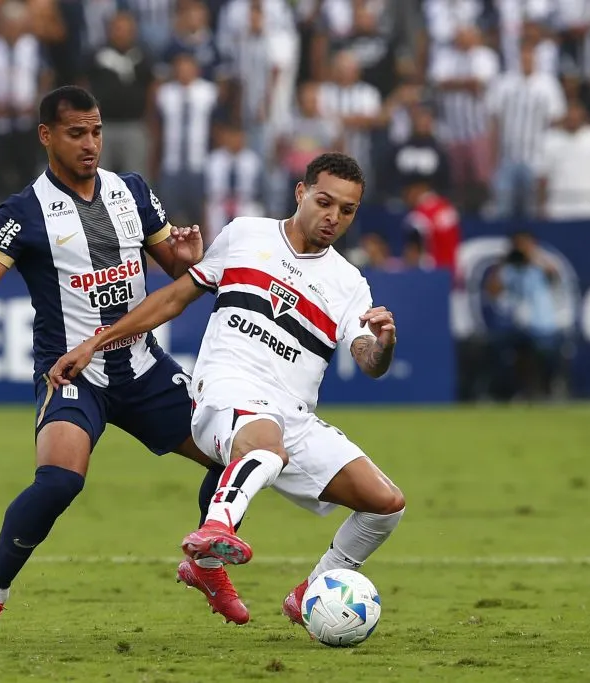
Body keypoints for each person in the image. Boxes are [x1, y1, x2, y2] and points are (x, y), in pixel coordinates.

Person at [0, 86, 242, 642]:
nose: (91, 144)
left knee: (234, 454)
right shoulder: (21, 213)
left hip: (144, 369)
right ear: (46, 136)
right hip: (72, 374)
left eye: (97, 131)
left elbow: (180, 278)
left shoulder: (132, 191)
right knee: (60, 482)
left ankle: (206, 567)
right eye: (76, 133)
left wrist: (188, 263)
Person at [49, 152, 406, 627]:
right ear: (301, 193)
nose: (333, 217)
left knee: (385, 506)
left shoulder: (348, 283)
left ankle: (309, 594)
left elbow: (368, 360)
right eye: (325, 202)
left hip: (291, 414)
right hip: (225, 389)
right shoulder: (245, 234)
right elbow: (174, 298)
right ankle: (214, 531)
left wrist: (383, 345)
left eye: (347, 210)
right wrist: (96, 342)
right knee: (266, 446)